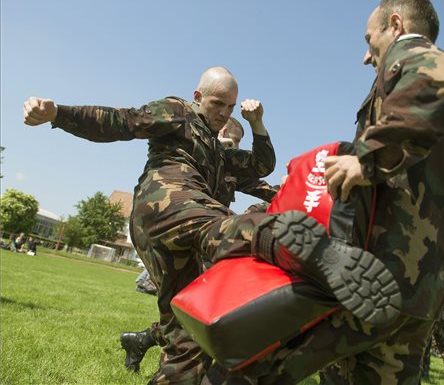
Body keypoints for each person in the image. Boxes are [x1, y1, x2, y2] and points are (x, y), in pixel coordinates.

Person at [201, 0, 444, 384]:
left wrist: (367, 158)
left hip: (372, 283)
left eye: (369, 39)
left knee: (249, 365)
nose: (366, 55)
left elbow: (437, 76)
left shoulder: (411, 56)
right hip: (420, 293)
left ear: (395, 26)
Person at [23, 66, 277, 385]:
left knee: (189, 333)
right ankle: (270, 237)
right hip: (163, 212)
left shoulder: (220, 155)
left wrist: (257, 123)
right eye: (217, 104)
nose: (224, 114)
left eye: (230, 107)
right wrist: (58, 113)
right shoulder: (180, 112)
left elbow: (263, 167)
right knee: (238, 228)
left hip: (191, 233)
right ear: (198, 97)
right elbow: (123, 121)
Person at [119, 116, 279, 374]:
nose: (233, 148)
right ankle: (171, 365)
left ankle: (144, 341)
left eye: (237, 144)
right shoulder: (194, 155)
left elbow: (266, 188)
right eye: (231, 141)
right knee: (192, 314)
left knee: (200, 312)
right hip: (177, 236)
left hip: (206, 242)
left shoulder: (232, 167)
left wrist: (301, 189)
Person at [421, 296, 444, 380]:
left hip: (433, 319)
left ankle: (425, 372)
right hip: (442, 322)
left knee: (427, 346)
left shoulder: (431, 289)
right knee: (443, 347)